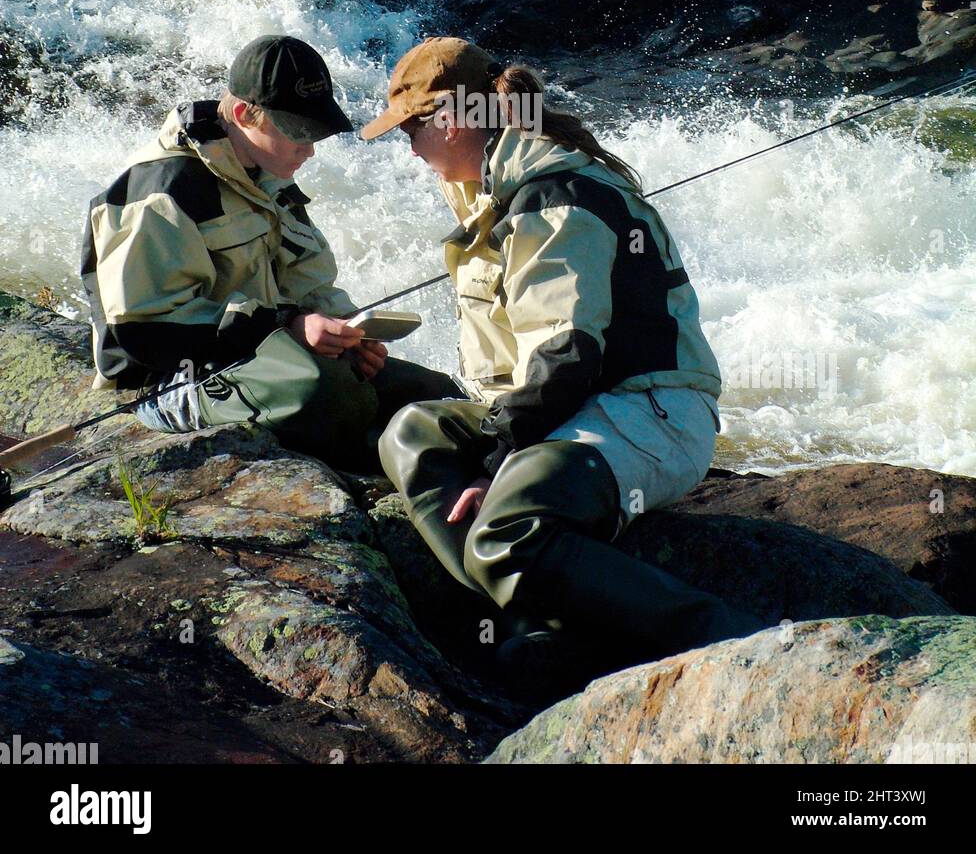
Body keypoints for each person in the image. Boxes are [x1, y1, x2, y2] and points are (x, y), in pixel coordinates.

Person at [361, 36, 761, 684]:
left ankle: (729, 640)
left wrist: (499, 460)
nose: (407, 146)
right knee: (410, 434)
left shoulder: (554, 193)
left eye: (411, 128)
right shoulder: (493, 191)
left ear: (452, 120)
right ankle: (537, 622)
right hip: (572, 410)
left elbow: (565, 353)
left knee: (506, 528)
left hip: (648, 408)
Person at [80, 34, 454, 469]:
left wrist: (346, 333)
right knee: (324, 392)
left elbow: (309, 282)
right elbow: (144, 334)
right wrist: (284, 325)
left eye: (315, 132)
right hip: (172, 379)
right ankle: (393, 465)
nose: (309, 150)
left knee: (435, 394)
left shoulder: (267, 173)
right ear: (243, 115)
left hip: (265, 350)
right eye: (297, 133)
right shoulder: (162, 192)